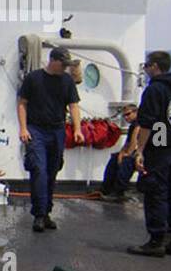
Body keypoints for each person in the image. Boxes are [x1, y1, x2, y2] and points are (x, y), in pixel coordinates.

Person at [128, 52, 171, 258]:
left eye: (147, 66)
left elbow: (147, 123)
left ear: (155, 67)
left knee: (156, 193)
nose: (146, 70)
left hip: (159, 149)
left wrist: (139, 151)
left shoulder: (154, 90)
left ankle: (156, 240)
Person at [17, 47, 83, 232]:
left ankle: (46, 212)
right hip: (36, 129)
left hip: (57, 129)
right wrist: (23, 128)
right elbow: (22, 103)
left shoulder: (67, 81)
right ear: (52, 60)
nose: (64, 68)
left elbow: (74, 106)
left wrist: (77, 129)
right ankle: (38, 214)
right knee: (39, 169)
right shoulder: (33, 78)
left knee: (52, 170)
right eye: (62, 64)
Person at [99, 104, 139, 201]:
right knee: (114, 158)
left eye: (128, 114)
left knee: (127, 162)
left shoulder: (139, 124)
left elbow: (134, 141)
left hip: (143, 153)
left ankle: (119, 191)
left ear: (136, 112)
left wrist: (127, 154)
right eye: (124, 115)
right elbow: (128, 142)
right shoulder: (132, 126)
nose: (126, 117)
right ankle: (106, 188)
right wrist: (121, 153)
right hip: (135, 151)